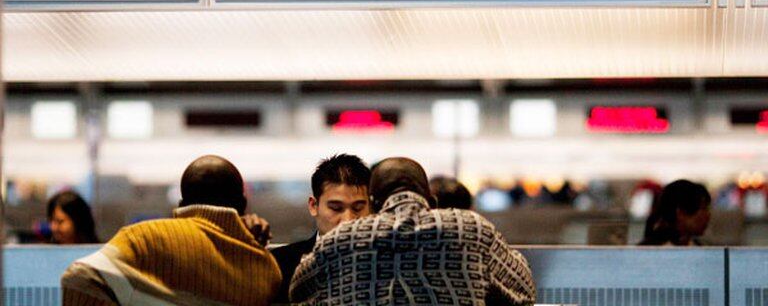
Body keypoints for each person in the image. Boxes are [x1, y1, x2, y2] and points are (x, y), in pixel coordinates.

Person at [290, 157, 536, 306]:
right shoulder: (473, 229)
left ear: (374, 203)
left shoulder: (340, 240)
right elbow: (524, 292)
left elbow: (298, 294)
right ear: (432, 201)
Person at [61, 155, 281, 305]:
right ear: (243, 205)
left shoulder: (144, 239)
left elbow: (79, 278)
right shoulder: (266, 270)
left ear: (182, 203)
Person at [271, 154, 371, 304]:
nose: (348, 220)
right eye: (336, 208)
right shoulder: (279, 265)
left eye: (358, 208)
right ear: (313, 206)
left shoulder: (388, 264)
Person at [639, 179, 712, 246]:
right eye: (703, 208)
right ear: (680, 213)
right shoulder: (649, 251)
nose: (708, 215)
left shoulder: (702, 249)